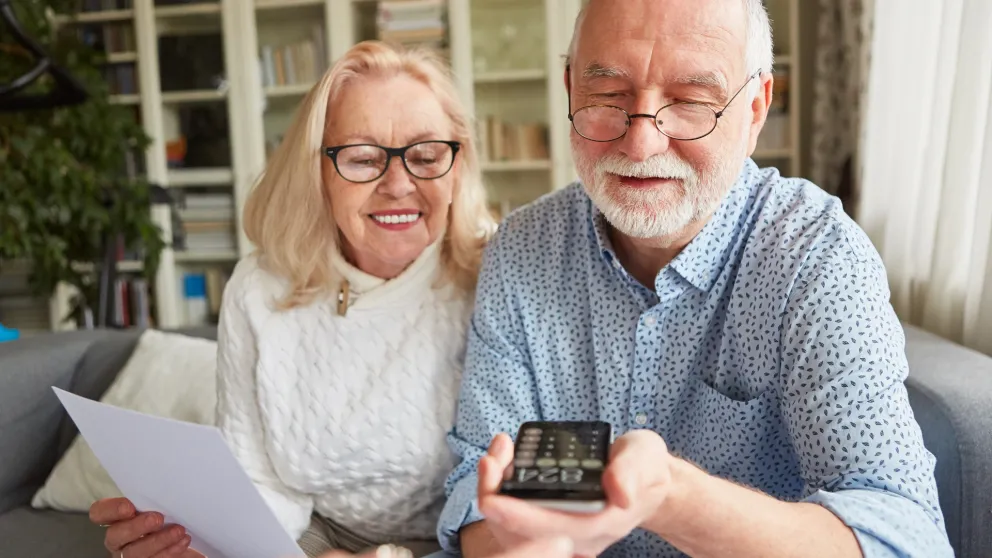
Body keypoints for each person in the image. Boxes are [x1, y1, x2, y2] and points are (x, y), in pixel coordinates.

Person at [437, 1, 955, 557]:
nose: (641, 144)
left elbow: (904, 537)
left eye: (690, 103)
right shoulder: (521, 249)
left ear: (755, 109)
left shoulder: (816, 257)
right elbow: (478, 489)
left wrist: (671, 496)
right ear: (569, 89)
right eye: (608, 96)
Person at [87, 40, 496, 558]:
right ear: (317, 171)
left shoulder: (498, 275)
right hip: (316, 536)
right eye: (363, 158)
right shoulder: (259, 288)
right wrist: (204, 544)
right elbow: (258, 480)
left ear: (457, 166)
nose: (399, 184)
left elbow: (511, 495)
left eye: (426, 155)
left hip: (465, 541)